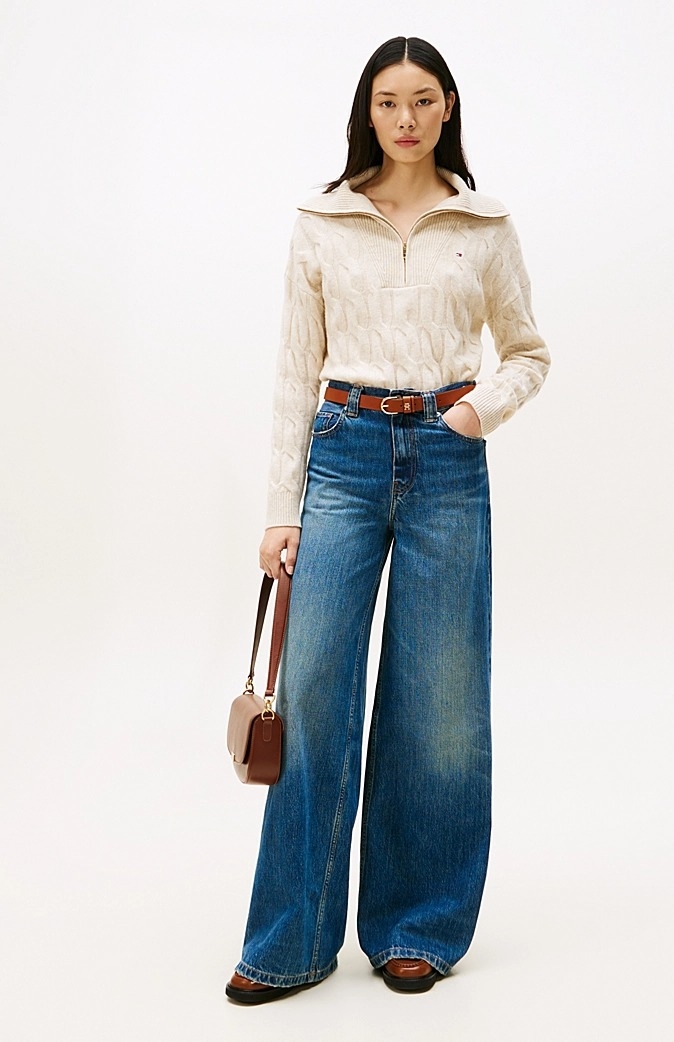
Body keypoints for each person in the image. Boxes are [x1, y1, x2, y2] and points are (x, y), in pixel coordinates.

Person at [226, 35, 550, 1005]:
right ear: (366, 112)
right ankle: (289, 941)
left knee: (438, 700)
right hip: (343, 452)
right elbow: (294, 368)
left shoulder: (483, 224)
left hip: (447, 459)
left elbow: (527, 351)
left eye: (421, 100)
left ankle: (417, 926)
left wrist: (475, 413)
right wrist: (280, 508)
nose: (405, 118)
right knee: (314, 692)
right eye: (386, 101)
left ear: (448, 107)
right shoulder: (322, 219)